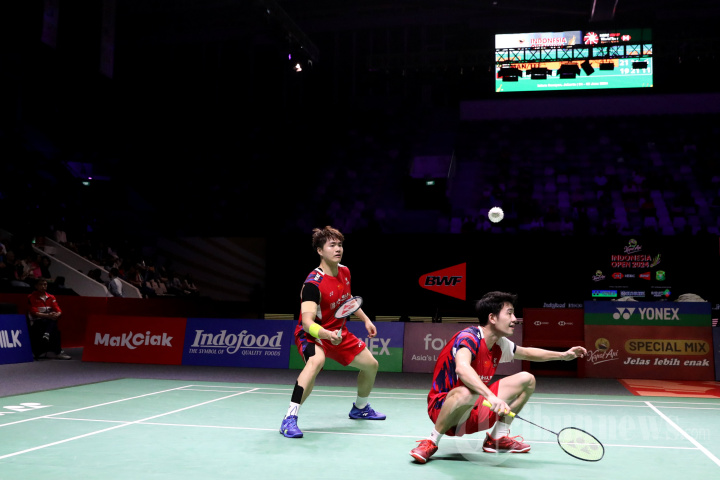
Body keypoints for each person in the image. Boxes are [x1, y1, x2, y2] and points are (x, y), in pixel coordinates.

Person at [409, 291, 587, 463]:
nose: (514, 319)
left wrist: (563, 355)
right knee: (466, 392)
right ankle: (431, 441)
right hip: (444, 410)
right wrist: (490, 396)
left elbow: (527, 353)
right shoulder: (469, 338)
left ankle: (497, 438)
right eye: (509, 313)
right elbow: (462, 368)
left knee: (527, 379)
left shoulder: (499, 344)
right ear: (492, 318)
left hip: (474, 409)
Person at [279, 225, 386, 439]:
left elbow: (347, 300)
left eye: (340, 245)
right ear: (320, 250)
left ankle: (360, 408)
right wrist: (326, 335)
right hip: (313, 334)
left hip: (338, 332)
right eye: (332, 245)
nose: (338, 249)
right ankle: (289, 418)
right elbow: (307, 323)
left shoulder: (344, 271)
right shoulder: (312, 284)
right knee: (316, 362)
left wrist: (365, 320)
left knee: (371, 365)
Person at [26, 277, 71, 360]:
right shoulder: (31, 297)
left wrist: (57, 314)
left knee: (53, 322)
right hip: (36, 321)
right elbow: (34, 313)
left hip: (48, 320)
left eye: (45, 284)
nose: (43, 286)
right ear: (36, 286)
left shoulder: (51, 297)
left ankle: (47, 335)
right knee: (53, 324)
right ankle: (57, 351)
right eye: (41, 284)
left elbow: (58, 310)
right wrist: (49, 315)